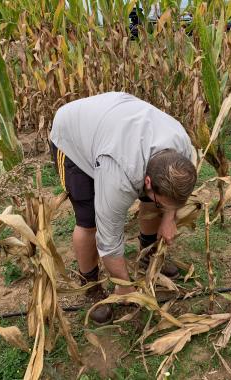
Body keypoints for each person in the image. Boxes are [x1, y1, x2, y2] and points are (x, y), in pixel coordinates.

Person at [50, 92, 197, 324]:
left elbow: (171, 199)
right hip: (74, 137)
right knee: (88, 221)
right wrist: (124, 285)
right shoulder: (119, 175)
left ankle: (148, 256)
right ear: (147, 182)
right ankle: (91, 286)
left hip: (116, 123)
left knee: (153, 202)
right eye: (163, 203)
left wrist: (169, 217)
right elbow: (108, 241)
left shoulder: (183, 150)